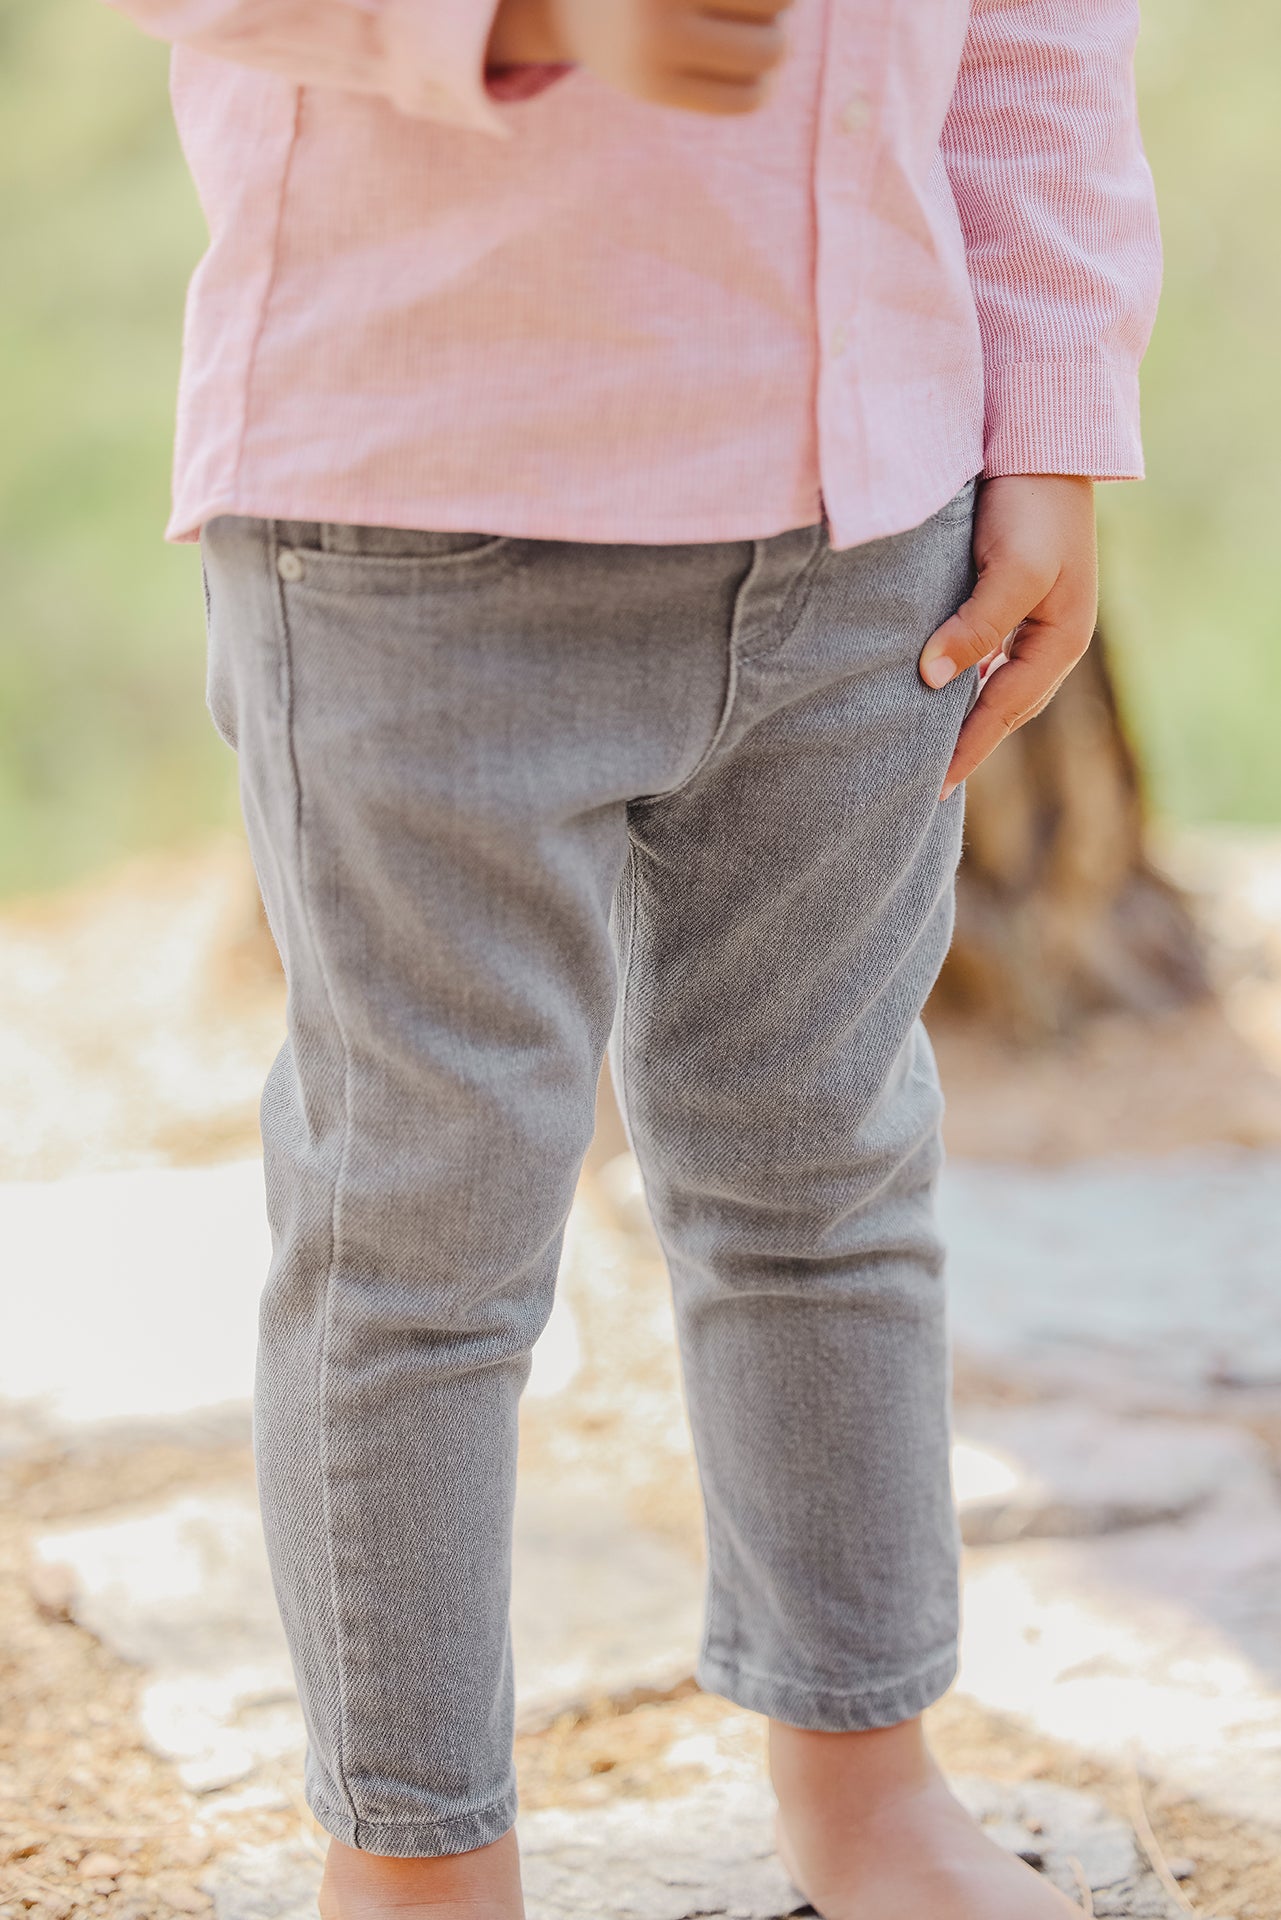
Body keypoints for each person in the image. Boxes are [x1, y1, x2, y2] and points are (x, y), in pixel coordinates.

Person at [104, 0, 1161, 1913]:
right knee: (418, 1223)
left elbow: (1036, 29)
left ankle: (864, 1782)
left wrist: (1052, 411)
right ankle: (416, 1866)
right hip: (416, 519)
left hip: (870, 524)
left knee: (822, 1163)